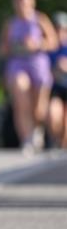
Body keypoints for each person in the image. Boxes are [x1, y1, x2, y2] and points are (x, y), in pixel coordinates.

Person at [0, 0, 57, 154]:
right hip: (18, 64)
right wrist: (13, 47)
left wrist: (37, 44)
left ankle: (38, 131)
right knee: (21, 101)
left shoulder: (40, 19)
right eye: (19, 2)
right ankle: (27, 139)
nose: (22, 5)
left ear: (32, 2)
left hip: (38, 64)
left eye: (25, 2)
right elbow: (3, 48)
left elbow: (53, 42)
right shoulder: (11, 23)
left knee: (39, 108)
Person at [47, 11, 67, 149]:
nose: (60, 32)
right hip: (55, 90)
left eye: (63, 29)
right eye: (57, 29)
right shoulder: (48, 49)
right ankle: (55, 142)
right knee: (54, 114)